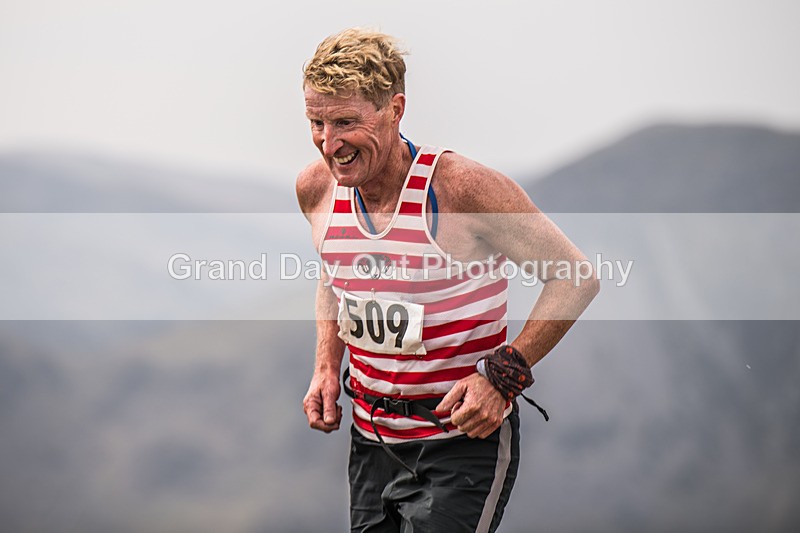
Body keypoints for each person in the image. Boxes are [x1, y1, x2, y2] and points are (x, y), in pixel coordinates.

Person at [296, 28, 599, 533]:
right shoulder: (316, 189)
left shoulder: (461, 189)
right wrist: (327, 366)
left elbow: (574, 277)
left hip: (461, 443)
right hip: (371, 441)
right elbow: (335, 271)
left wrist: (501, 376)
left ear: (395, 109)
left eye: (346, 122)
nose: (330, 143)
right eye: (316, 122)